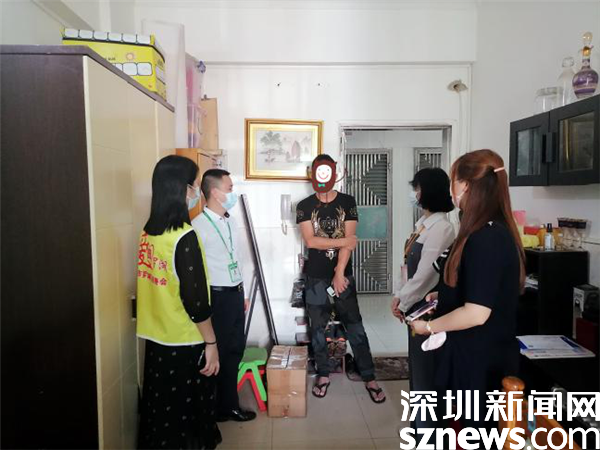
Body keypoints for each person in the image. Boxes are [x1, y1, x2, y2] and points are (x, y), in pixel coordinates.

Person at [410, 149, 525, 446]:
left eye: (454, 180)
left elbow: (476, 313)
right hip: (472, 355)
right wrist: (444, 294)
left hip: (480, 362)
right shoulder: (482, 230)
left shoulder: (488, 237)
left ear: (466, 184)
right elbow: (479, 287)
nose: (452, 189)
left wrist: (428, 327)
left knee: (475, 435)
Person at [137, 155, 221, 450]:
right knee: (187, 419)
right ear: (181, 189)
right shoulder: (184, 237)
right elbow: (196, 303)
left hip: (156, 339)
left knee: (162, 414)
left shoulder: (149, 233)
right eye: (195, 184)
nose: (197, 191)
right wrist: (211, 344)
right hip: (184, 341)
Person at [296, 154, 386, 404]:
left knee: (354, 325)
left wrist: (338, 273)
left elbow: (349, 241)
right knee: (317, 328)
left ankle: (369, 376)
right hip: (315, 277)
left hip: (342, 275)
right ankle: (323, 374)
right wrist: (344, 240)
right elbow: (311, 241)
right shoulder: (304, 205)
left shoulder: (347, 202)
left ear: (335, 174)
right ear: (312, 174)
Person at [390, 168, 455, 432]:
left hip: (428, 310)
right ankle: (419, 429)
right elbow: (408, 268)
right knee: (417, 371)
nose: (414, 194)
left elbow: (427, 275)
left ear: (428, 192)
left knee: (428, 374)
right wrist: (399, 296)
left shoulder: (442, 229)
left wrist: (403, 302)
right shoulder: (423, 225)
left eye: (417, 188)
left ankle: (429, 433)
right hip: (413, 307)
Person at [192, 169, 256, 423]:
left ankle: (228, 406)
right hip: (215, 298)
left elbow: (237, 259)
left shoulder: (230, 221)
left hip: (235, 295)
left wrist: (243, 292)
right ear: (215, 193)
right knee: (215, 354)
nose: (232, 193)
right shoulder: (197, 226)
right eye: (229, 188)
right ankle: (212, 409)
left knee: (234, 351)